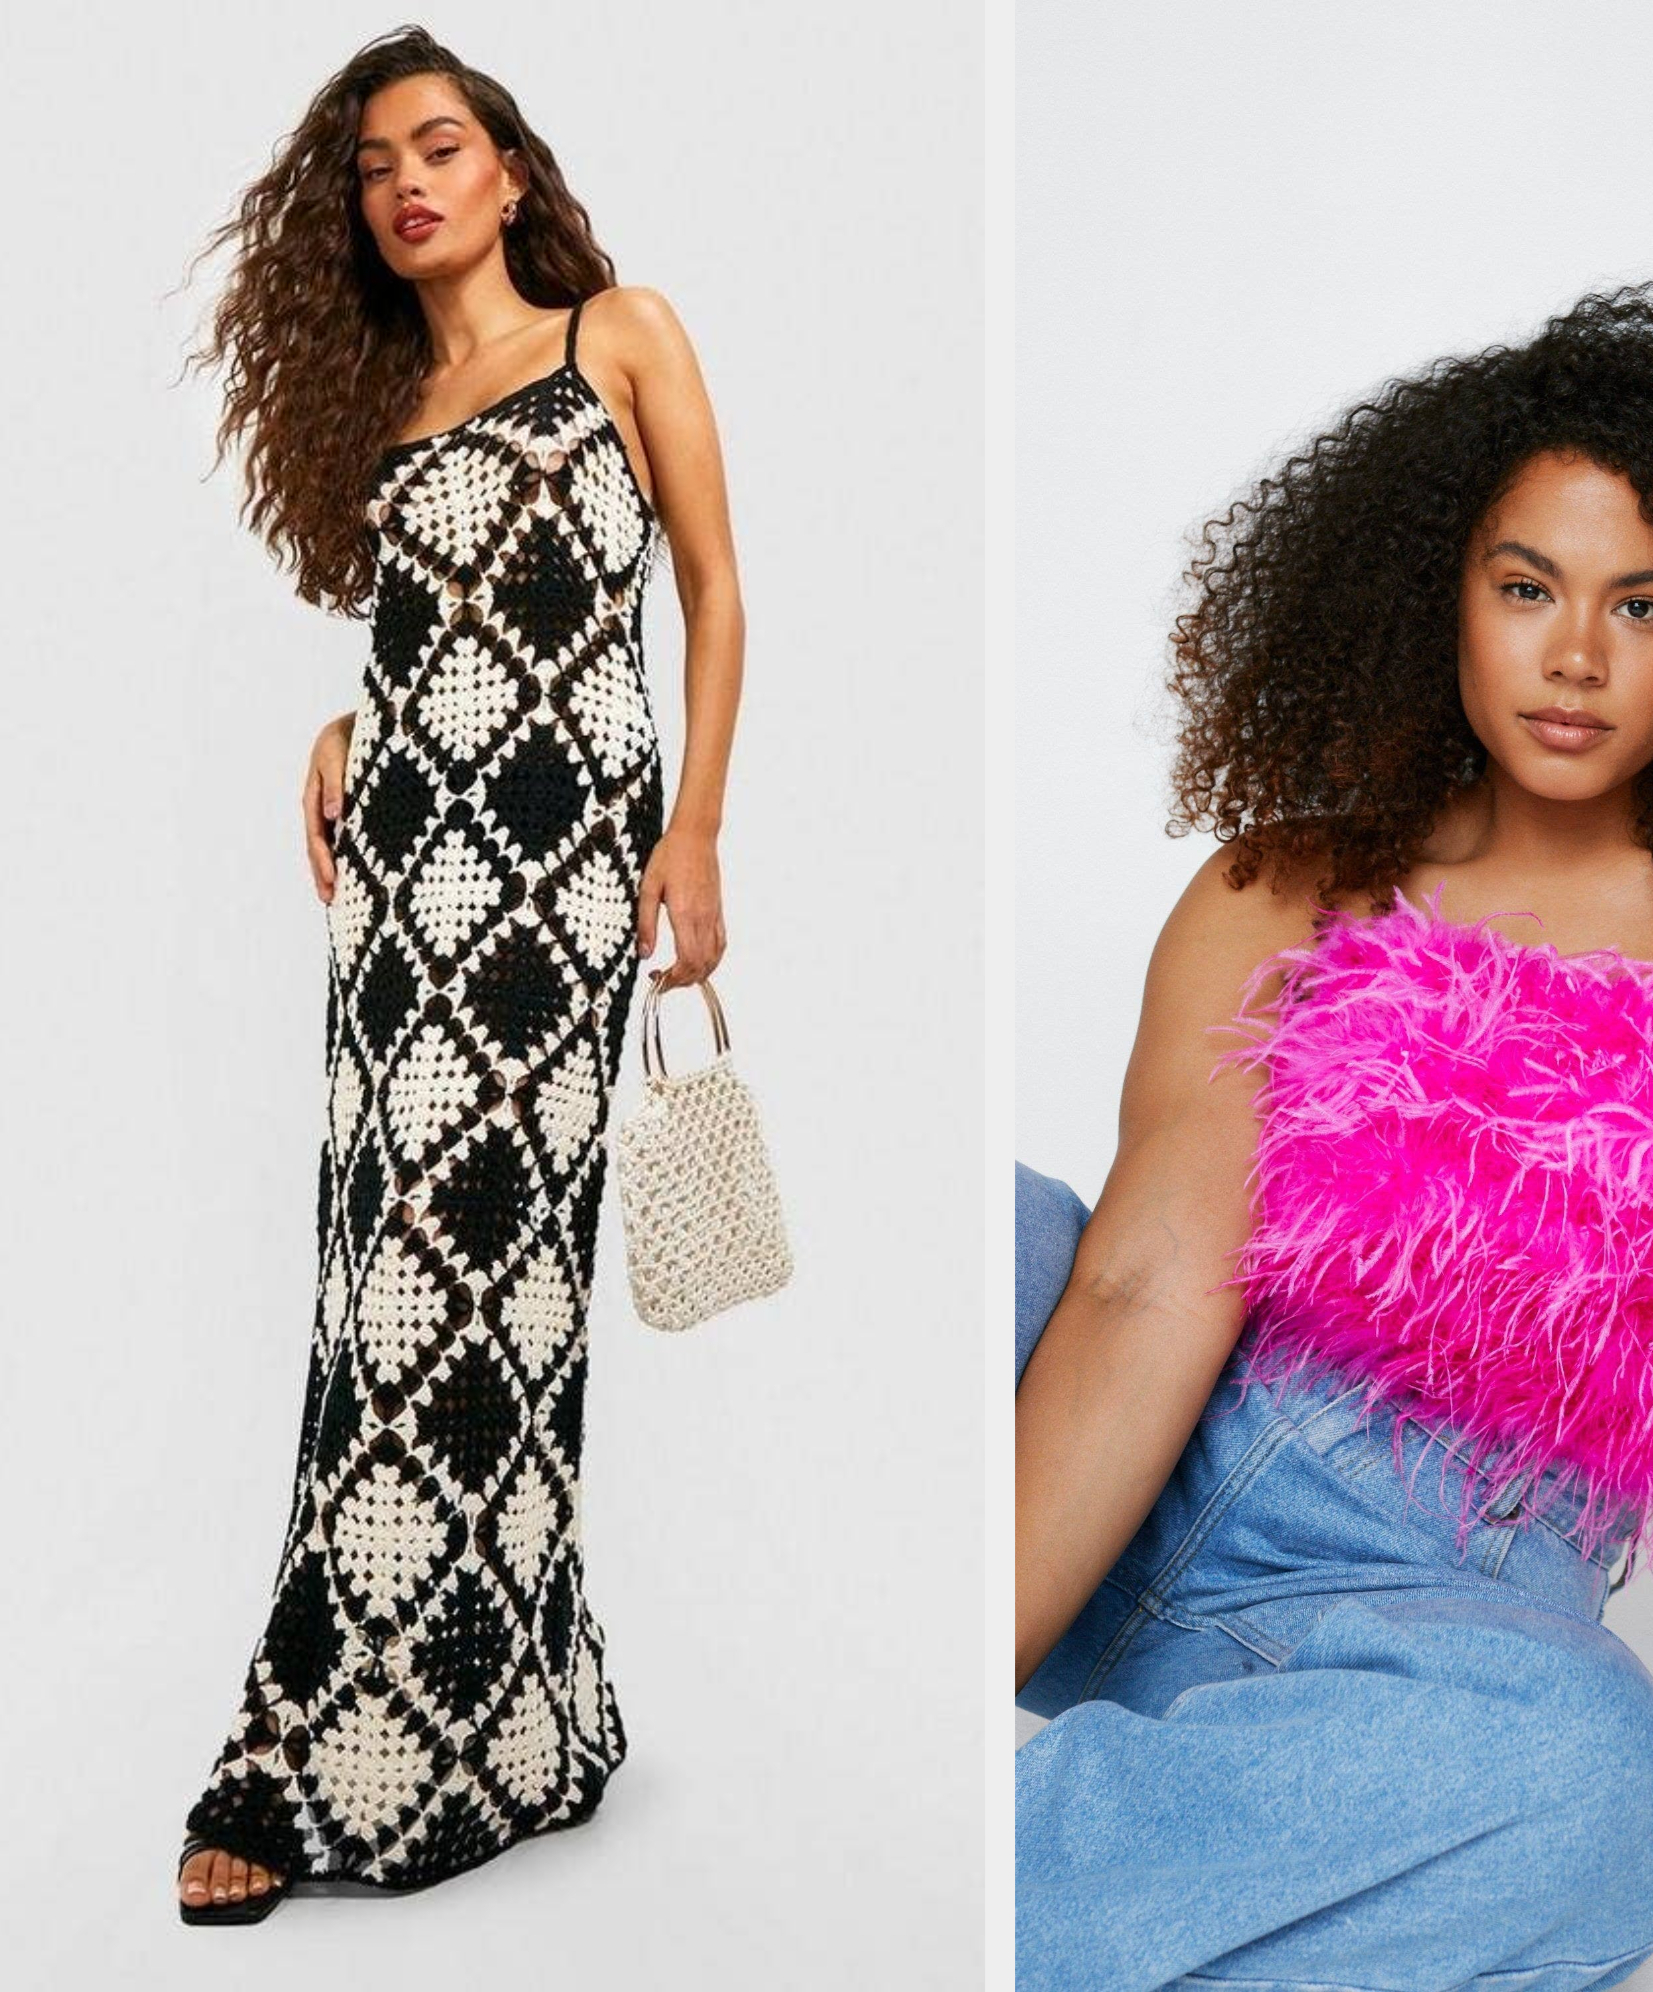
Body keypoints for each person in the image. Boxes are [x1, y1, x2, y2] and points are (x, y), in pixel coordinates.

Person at [1014, 278, 1653, 1988]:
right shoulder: (1284, 884)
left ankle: (1025, 1882)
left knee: (1595, 1783)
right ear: (1438, 595)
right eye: (1526, 587)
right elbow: (1141, 1286)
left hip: (1440, 1628)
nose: (1576, 656)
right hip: (1134, 1488)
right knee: (978, 1233)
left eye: (1642, 603)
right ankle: (994, 1827)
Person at [176, 27, 745, 1920]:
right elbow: (437, 641)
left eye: (439, 145)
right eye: (375, 166)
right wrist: (351, 725)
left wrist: (695, 832)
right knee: (380, 1298)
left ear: (507, 169)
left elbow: (714, 592)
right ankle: (363, 1736)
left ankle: (469, 1741)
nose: (408, 182)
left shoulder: (618, 337)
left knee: (499, 1298)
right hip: (404, 894)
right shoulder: (397, 415)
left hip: (560, 890)